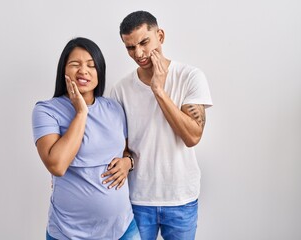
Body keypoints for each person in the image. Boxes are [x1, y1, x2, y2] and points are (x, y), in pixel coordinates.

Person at [110, 11, 213, 240]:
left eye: (144, 42)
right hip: (137, 199)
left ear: (161, 36)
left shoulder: (190, 77)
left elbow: (192, 137)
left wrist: (158, 90)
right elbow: (120, 146)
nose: (139, 53)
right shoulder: (120, 90)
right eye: (130, 47)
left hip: (180, 199)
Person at [32, 37, 140, 240]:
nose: (84, 70)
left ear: (100, 72)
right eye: (75, 64)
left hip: (123, 228)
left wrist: (128, 162)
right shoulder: (46, 110)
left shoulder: (114, 108)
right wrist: (81, 112)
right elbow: (57, 165)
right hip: (68, 233)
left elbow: (125, 149)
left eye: (91, 65)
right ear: (63, 69)